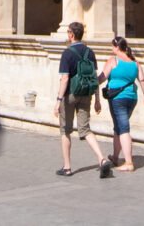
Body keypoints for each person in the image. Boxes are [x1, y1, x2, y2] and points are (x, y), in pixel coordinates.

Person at [53, 21, 110, 178]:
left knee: (65, 130)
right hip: (86, 94)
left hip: (70, 94)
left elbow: (65, 79)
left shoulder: (67, 53)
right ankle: (102, 159)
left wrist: (58, 101)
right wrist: (97, 99)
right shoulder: (89, 52)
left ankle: (67, 167)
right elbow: (93, 77)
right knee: (85, 129)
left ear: (71, 34)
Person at [99, 36, 144, 171]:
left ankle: (128, 163)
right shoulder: (135, 63)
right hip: (131, 98)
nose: (112, 49)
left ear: (116, 47)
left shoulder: (113, 61)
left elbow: (102, 77)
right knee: (119, 126)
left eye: (112, 47)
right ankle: (115, 157)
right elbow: (142, 80)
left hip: (117, 98)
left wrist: (91, 83)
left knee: (124, 129)